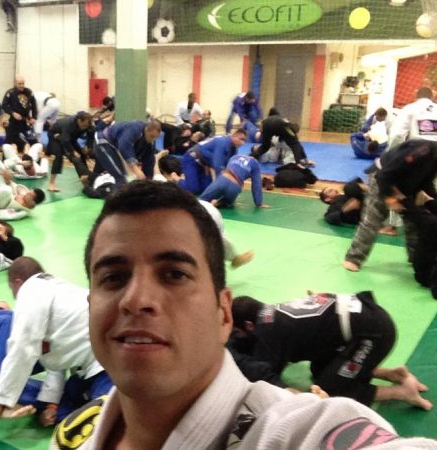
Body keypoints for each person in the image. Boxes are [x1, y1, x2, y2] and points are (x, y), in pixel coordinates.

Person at [52, 180, 437, 450]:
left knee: (335, 384)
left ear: (224, 314)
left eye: (174, 274)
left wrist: (296, 394)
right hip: (357, 318)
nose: (136, 299)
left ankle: (395, 388)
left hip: (368, 328)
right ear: (90, 307)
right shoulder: (73, 435)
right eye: (113, 277)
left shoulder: (295, 430)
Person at [231, 292, 432, 410]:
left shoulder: (267, 331)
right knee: (319, 370)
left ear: (249, 325)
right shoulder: (271, 312)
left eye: (237, 332)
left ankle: (400, 393)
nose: (237, 336)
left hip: (372, 335)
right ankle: (390, 373)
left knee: (328, 392)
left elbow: (265, 375)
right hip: (370, 318)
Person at [0, 256, 113, 425]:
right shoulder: (57, 292)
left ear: (17, 283)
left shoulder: (32, 290)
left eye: (12, 290)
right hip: (85, 374)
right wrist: (51, 406)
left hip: (107, 368)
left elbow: (23, 347)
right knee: (62, 412)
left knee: (108, 419)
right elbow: (56, 361)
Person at [343, 139, 437, 272]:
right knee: (373, 218)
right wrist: (391, 198)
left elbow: (426, 182)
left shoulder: (434, 160)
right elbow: (384, 175)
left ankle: (416, 258)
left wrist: (433, 200)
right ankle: (354, 258)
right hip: (382, 178)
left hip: (406, 185)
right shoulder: (421, 151)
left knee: (415, 221)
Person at [92, 119, 161, 184]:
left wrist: (148, 180)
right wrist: (135, 168)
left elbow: (149, 160)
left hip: (115, 146)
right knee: (121, 177)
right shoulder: (135, 128)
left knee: (127, 177)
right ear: (146, 130)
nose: (153, 139)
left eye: (156, 137)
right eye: (152, 136)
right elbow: (124, 146)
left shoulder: (151, 141)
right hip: (103, 141)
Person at [199, 154, 271, 208]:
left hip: (222, 180)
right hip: (235, 186)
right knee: (227, 203)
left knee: (201, 201)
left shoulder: (234, 157)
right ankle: (218, 203)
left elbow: (221, 168)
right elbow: (256, 184)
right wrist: (259, 203)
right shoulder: (255, 164)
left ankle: (208, 202)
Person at [46, 112, 94, 192]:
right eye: (84, 126)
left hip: (69, 138)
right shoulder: (68, 124)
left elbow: (91, 136)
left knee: (82, 156)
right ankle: (51, 184)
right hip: (55, 136)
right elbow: (65, 141)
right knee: (59, 155)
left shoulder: (88, 124)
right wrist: (73, 151)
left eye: (87, 126)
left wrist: (89, 148)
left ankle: (86, 178)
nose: (85, 128)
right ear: (79, 120)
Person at [2, 75, 37, 153]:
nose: (21, 86)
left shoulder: (29, 92)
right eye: (19, 84)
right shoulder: (10, 92)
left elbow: (34, 105)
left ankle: (28, 152)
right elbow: (4, 105)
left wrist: (34, 117)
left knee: (33, 141)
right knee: (9, 141)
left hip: (25, 119)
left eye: (23, 83)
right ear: (15, 83)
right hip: (13, 120)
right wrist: (13, 113)